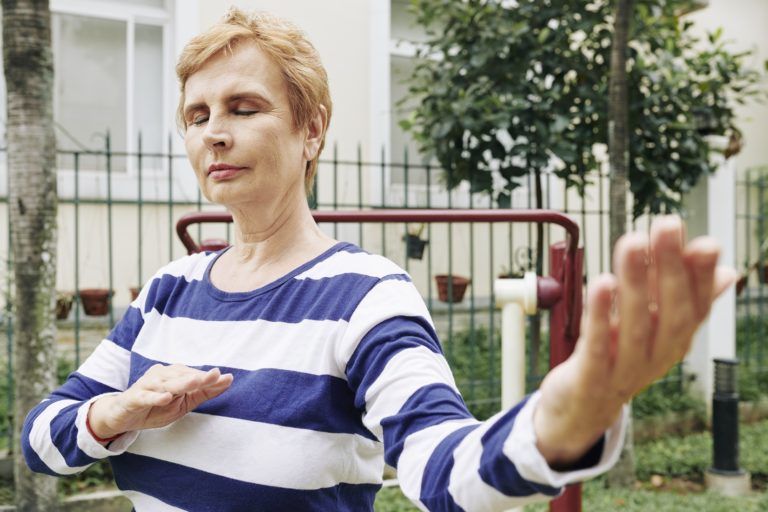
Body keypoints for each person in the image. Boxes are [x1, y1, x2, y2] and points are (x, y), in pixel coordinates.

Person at [22, 8, 734, 512]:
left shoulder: (367, 296)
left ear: (311, 129)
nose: (214, 134)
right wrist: (113, 413)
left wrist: (559, 422)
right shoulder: (167, 291)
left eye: (244, 107)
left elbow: (441, 471)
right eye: (198, 115)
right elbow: (39, 441)